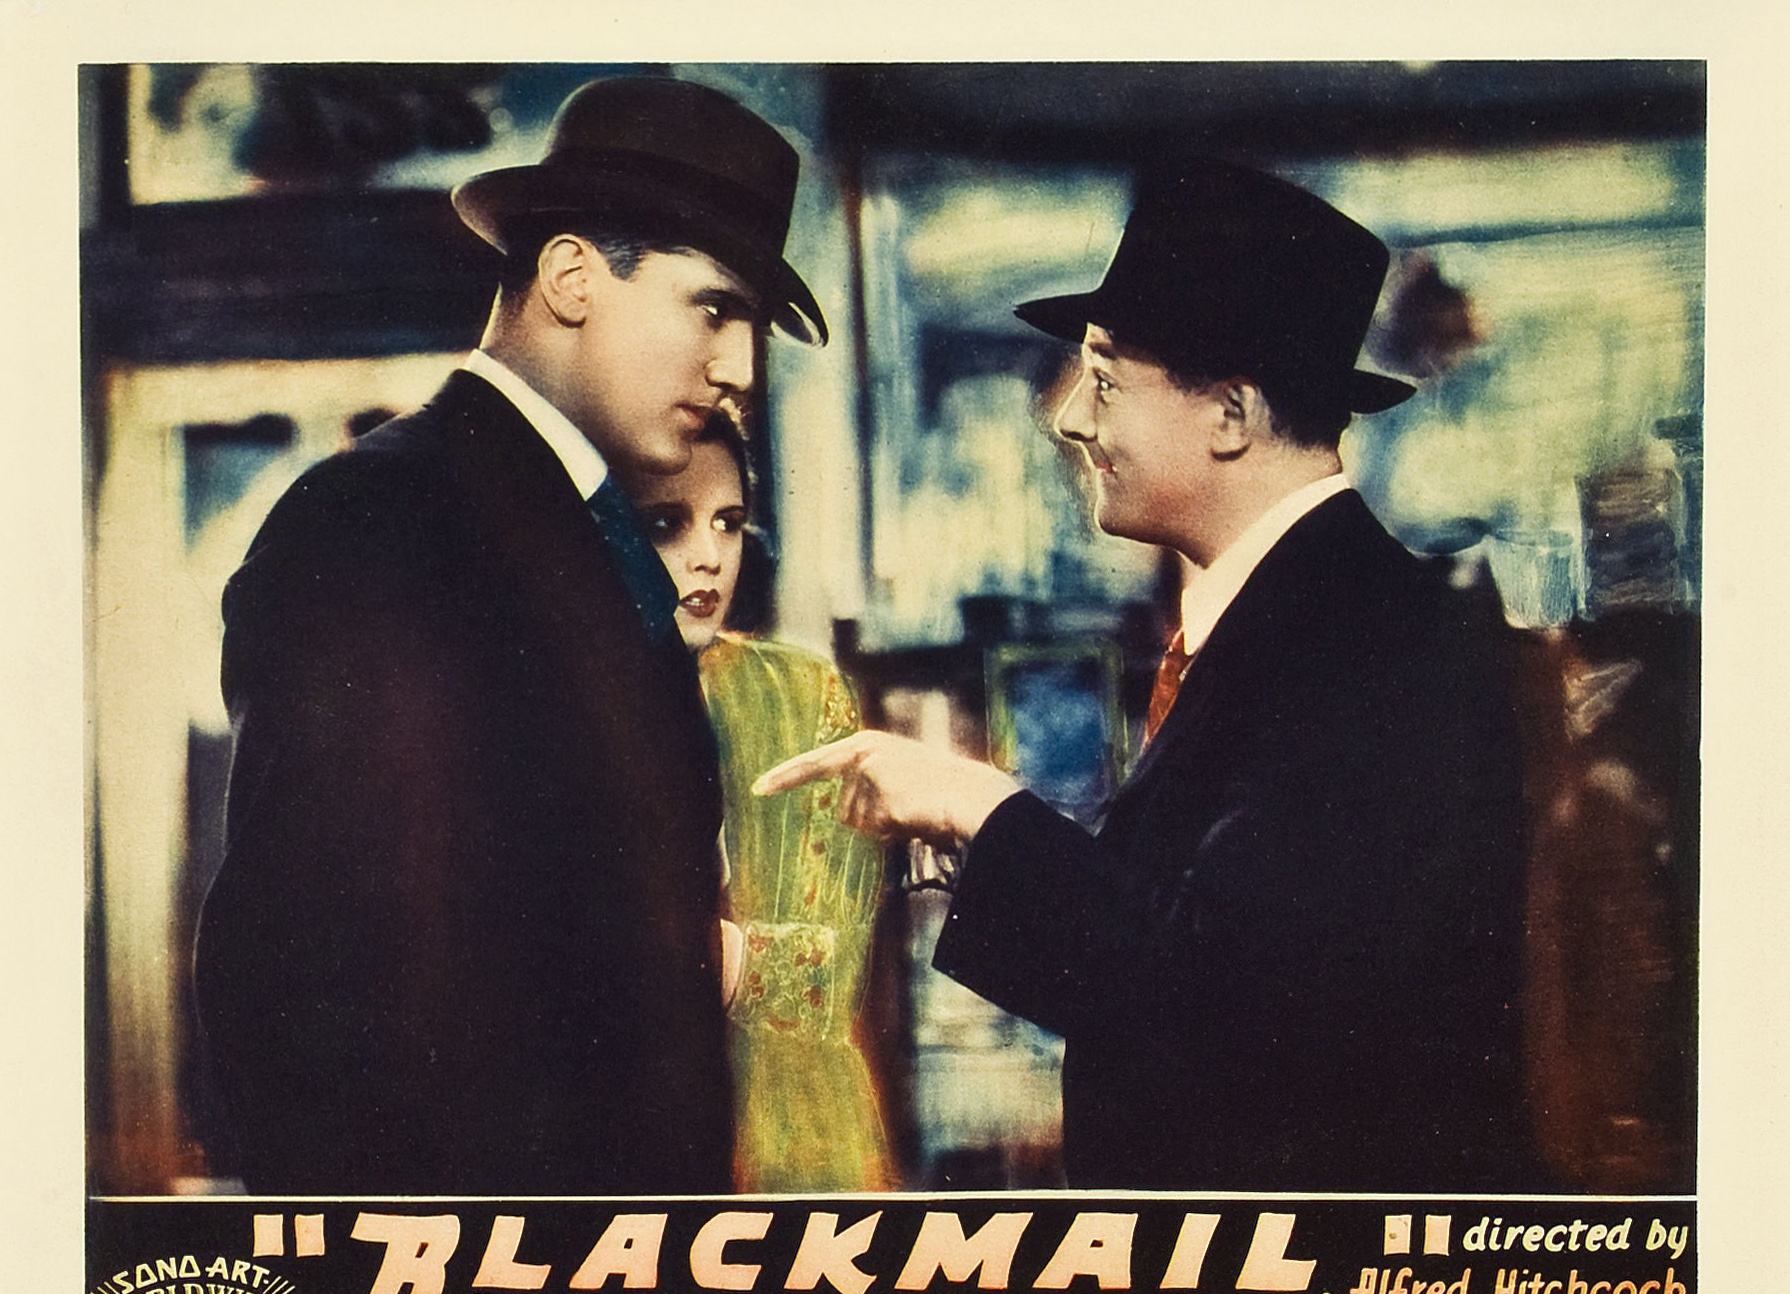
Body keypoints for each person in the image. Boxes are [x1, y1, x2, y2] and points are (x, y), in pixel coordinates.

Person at [758, 160, 1533, 1193]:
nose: (1071, 419)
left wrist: (980, 807)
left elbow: (1219, 1002)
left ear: (1231, 415)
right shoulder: (1311, 616)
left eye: (1107, 379)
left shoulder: (1374, 640)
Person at [193, 76, 828, 1195]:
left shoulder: (585, 520)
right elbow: (297, 975)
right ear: (572, 276)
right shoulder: (382, 514)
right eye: (713, 309)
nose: (739, 368)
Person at [613, 418, 894, 1192]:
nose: (709, 554)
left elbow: (824, 971)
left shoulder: (801, 694)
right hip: (622, 1148)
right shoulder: (542, 706)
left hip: (794, 1139)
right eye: (667, 524)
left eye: (729, 522)